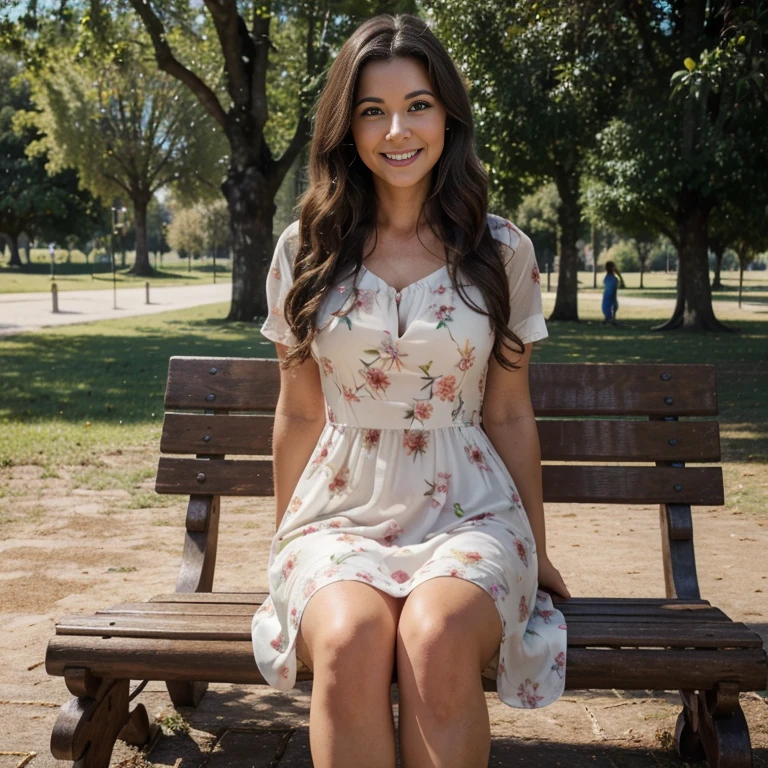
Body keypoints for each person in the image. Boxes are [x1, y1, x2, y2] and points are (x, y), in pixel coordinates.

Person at [252, 14, 569, 768]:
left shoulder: (502, 251)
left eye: (418, 104)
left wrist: (539, 547)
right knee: (354, 638)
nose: (398, 129)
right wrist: (284, 545)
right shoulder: (305, 250)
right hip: (337, 513)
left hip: (473, 510)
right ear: (348, 126)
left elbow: (509, 411)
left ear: (448, 116)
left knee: (433, 636)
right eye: (372, 110)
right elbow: (299, 408)